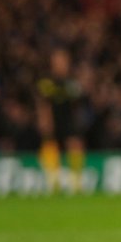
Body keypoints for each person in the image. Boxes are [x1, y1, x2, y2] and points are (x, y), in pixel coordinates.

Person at [35, 48, 87, 193]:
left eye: (63, 61)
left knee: (75, 144)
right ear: (52, 63)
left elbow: (78, 103)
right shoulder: (47, 83)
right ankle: (53, 183)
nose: (61, 64)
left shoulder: (72, 83)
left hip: (68, 119)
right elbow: (43, 104)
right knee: (51, 146)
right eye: (58, 61)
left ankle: (76, 183)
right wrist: (44, 120)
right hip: (53, 119)